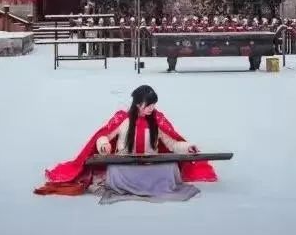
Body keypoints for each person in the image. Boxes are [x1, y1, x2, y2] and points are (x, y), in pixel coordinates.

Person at [34, 85, 217, 203]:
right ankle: (145, 186)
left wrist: (187, 147)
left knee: (170, 168)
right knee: (114, 171)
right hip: (126, 166)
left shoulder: (157, 121)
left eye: (153, 105)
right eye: (149, 105)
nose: (152, 109)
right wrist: (104, 145)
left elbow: (172, 144)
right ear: (138, 104)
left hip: (149, 165)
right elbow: (104, 136)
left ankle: (140, 185)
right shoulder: (123, 119)